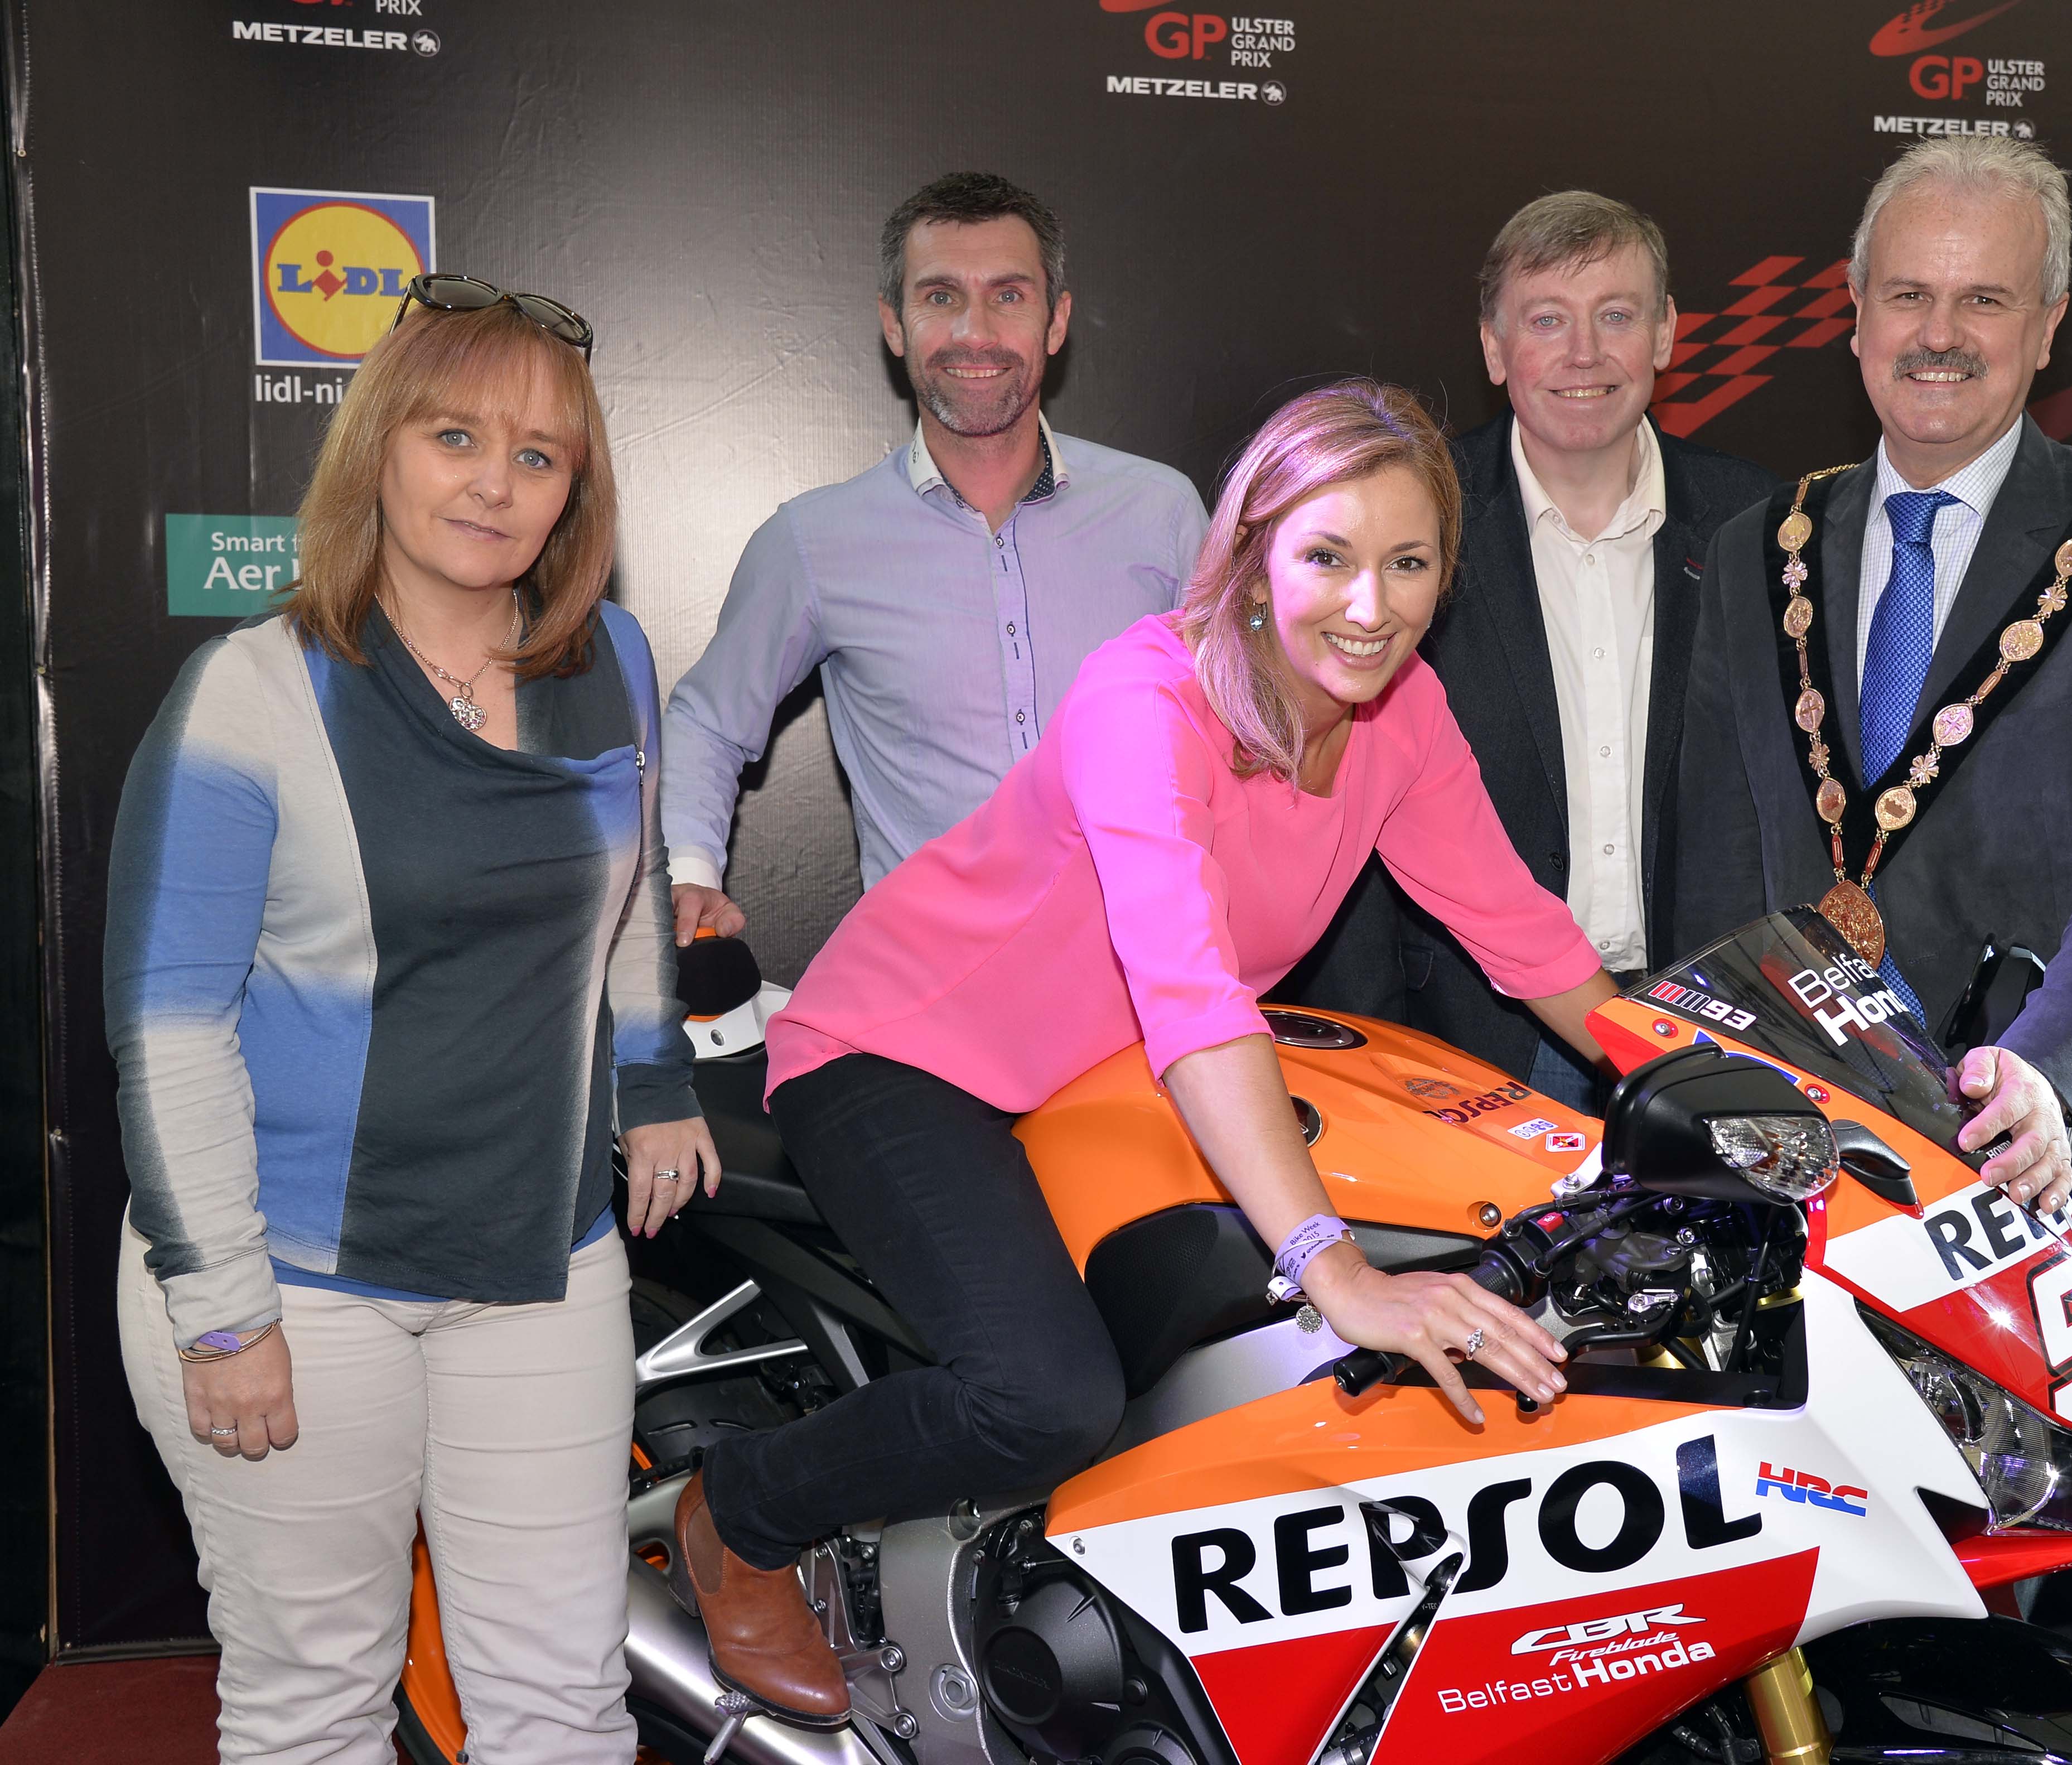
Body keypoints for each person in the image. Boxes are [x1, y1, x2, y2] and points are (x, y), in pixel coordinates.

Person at [667, 381, 1615, 1723]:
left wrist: (1714, 1078)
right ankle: (744, 1513)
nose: (1370, 604)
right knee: (1046, 1395)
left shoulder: (1399, 716)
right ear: (1250, 553)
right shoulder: (1147, 694)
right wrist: (1328, 1264)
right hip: (903, 1054)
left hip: (1095, 1083)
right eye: (1327, 556)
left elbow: (1520, 931)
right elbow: (1189, 991)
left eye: (1408, 563)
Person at [1674, 138, 2072, 1695]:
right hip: (1836, 1197)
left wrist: (2058, 1081)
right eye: (1910, 293)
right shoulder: (1756, 551)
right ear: (1853, 315)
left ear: (2050, 320)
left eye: (1984, 297)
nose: (1941, 332)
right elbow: (1725, 872)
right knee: (1857, 1645)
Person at [104, 279, 716, 1764]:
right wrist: (227, 1309)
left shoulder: (615, 662)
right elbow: (167, 1025)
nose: (493, 484)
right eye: (456, 435)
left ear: (577, 490)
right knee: (317, 1701)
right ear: (381, 442)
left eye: (537, 455)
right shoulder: (251, 695)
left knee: (561, 1700)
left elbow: (628, 902)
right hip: (297, 1281)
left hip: (542, 1258)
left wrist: (654, 1079)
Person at [1278, 192, 1775, 1110]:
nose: (1584, 353)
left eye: (1616, 316)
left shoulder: (1760, 527)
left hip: (1703, 1024)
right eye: (1547, 320)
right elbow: (1333, 790)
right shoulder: (1411, 520)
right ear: (1495, 348)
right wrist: (1372, 1057)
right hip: (1467, 1041)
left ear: (1666, 333)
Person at [663, 172, 1208, 943]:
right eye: (941, 297)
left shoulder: (1162, 513)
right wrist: (690, 873)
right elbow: (709, 722)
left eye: (1009, 296)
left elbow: (1243, 725)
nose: (975, 333)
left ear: (1057, 322)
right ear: (895, 325)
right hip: (925, 993)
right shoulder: (815, 542)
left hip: (1141, 981)